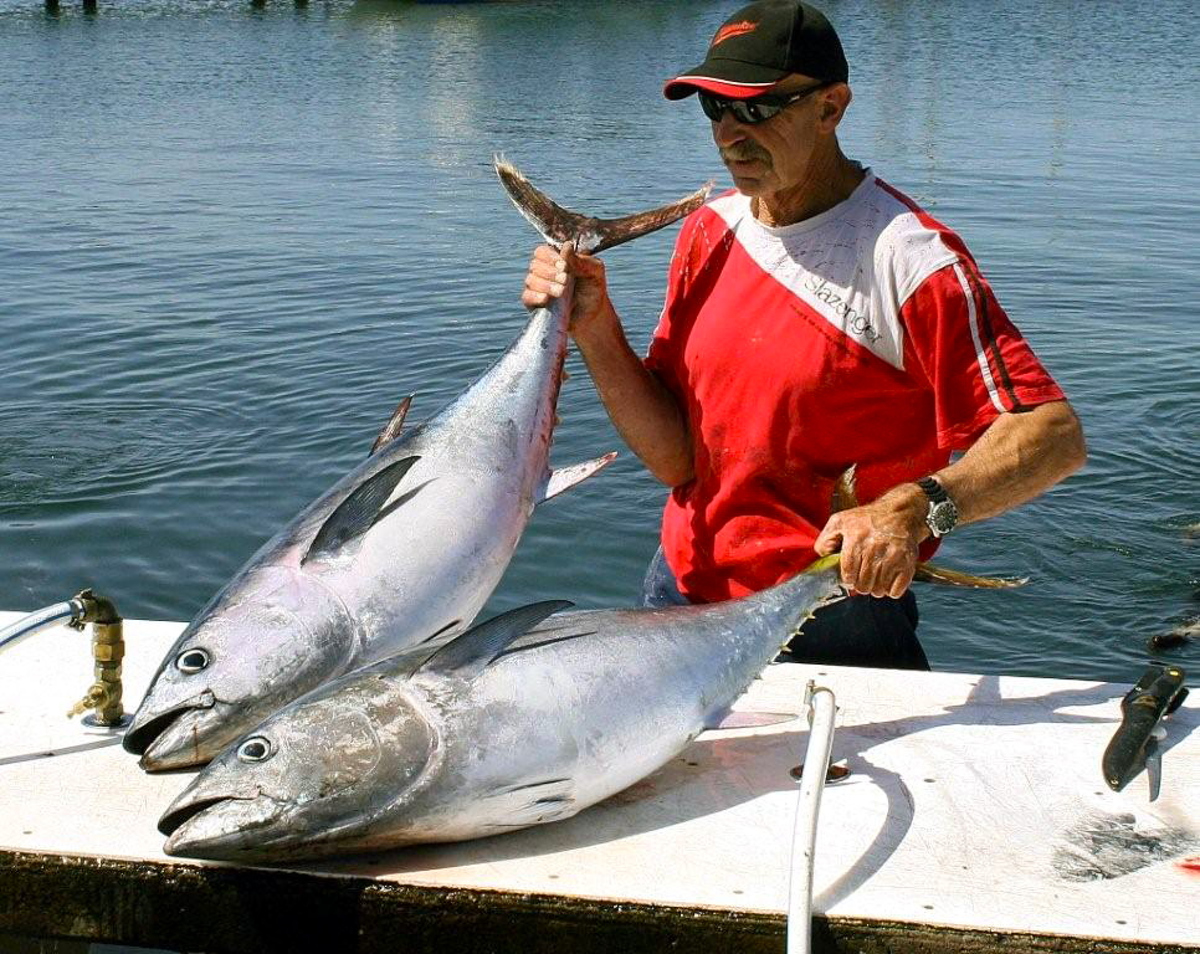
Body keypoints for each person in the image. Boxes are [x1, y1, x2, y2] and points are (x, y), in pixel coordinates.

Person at [521, 0, 1086, 671]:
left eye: (756, 110)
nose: (730, 134)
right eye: (714, 111)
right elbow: (677, 462)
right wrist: (595, 329)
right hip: (679, 594)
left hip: (834, 618)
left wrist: (916, 508)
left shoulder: (909, 259)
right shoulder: (711, 231)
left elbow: (1052, 435)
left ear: (831, 108)